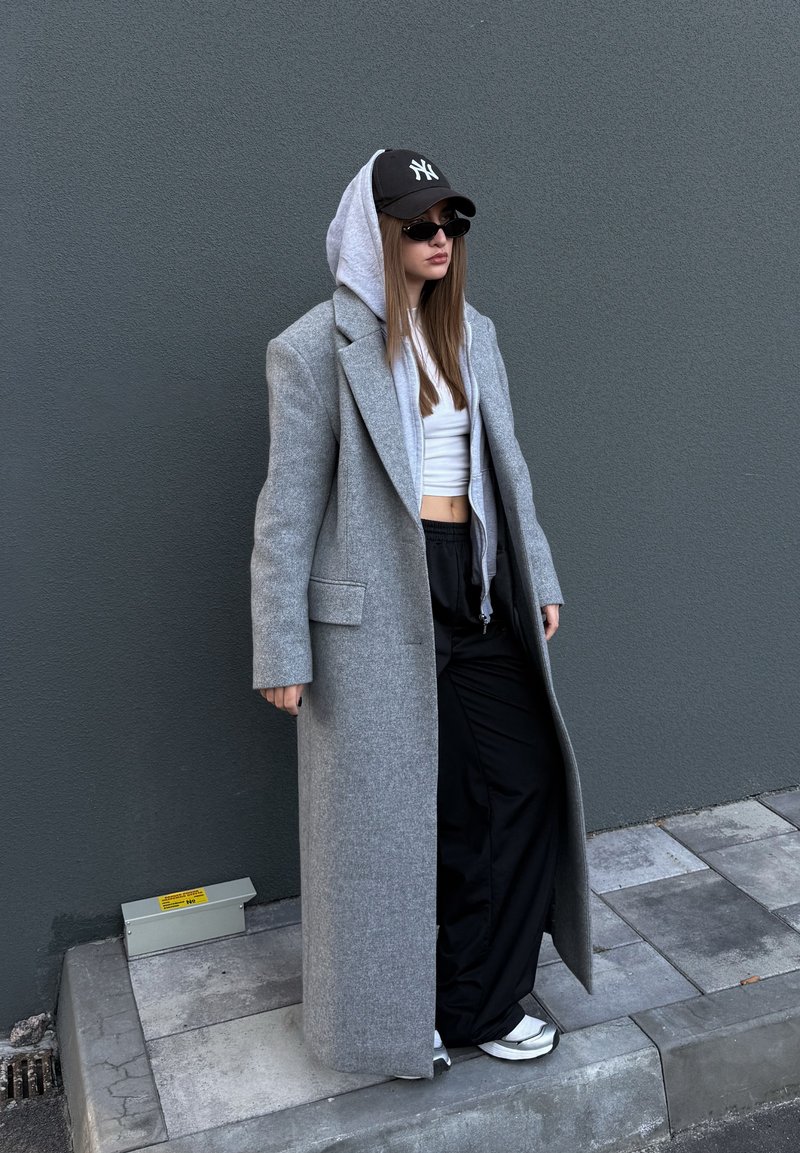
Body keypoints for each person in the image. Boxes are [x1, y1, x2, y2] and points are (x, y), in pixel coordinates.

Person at [251, 148, 593, 1081]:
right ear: (374, 234)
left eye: (451, 223)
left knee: (520, 781)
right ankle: (403, 1015)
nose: (440, 238)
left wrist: (541, 576)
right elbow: (286, 508)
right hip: (372, 609)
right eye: (419, 224)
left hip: (472, 585)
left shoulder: (473, 334)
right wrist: (281, 642)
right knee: (404, 819)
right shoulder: (314, 349)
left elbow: (507, 468)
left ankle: (479, 997)